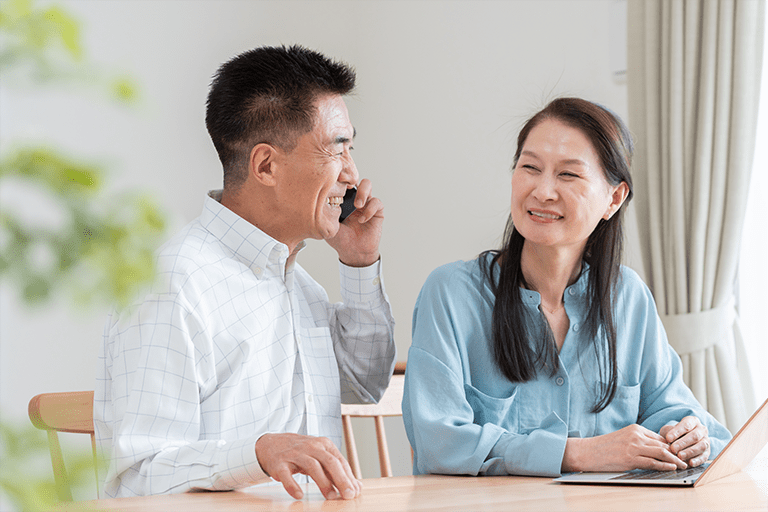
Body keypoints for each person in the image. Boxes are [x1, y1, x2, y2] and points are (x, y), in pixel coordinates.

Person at [94, 45, 396, 501]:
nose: (352, 175)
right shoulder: (170, 284)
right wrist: (256, 455)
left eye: (351, 149)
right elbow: (136, 479)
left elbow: (365, 385)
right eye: (337, 151)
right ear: (266, 165)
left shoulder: (300, 288)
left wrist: (359, 265)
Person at [401, 97, 731, 477]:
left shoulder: (628, 297)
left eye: (568, 175)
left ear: (614, 198)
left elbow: (674, 409)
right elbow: (438, 442)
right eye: (530, 167)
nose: (542, 191)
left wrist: (688, 435)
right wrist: (576, 454)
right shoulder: (452, 294)